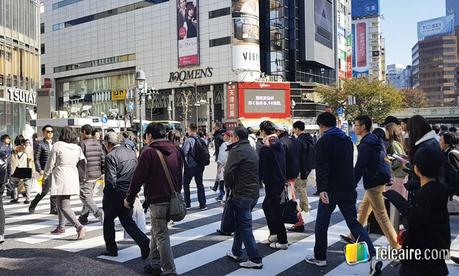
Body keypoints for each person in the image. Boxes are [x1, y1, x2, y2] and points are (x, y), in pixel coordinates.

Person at [305, 112, 382, 275]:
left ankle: (320, 257)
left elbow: (322, 167)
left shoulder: (324, 141)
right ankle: (373, 256)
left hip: (331, 190)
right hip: (347, 188)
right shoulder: (347, 140)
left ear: (321, 126)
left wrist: (322, 188)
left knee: (322, 223)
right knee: (354, 224)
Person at [125, 123, 183, 275]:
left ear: (149, 136)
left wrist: (129, 198)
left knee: (161, 234)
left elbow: (137, 178)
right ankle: (155, 263)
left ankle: (170, 271)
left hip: (157, 199)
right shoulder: (176, 150)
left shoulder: (148, 153)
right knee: (156, 231)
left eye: (146, 136)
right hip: (172, 197)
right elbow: (180, 174)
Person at [399, 146, 450, 276]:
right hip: (438, 253)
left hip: (420, 260)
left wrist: (396, 198)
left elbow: (415, 218)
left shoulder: (425, 193)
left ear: (417, 169)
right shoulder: (441, 188)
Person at [350, 115, 399, 249]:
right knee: (364, 208)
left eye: (356, 125)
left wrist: (352, 184)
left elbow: (360, 166)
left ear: (363, 127)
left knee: (381, 215)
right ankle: (354, 235)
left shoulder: (366, 144)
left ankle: (396, 245)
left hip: (374, 180)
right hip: (380, 177)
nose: (354, 127)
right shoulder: (375, 139)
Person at [102, 132, 150, 258]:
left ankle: (112, 249)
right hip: (129, 191)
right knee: (127, 220)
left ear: (108, 143)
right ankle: (143, 241)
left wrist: (106, 194)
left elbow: (110, 181)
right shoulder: (131, 152)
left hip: (115, 193)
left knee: (108, 221)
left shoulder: (110, 156)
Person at [224, 126, 263, 269]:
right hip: (253, 193)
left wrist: (229, 186)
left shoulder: (237, 150)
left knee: (245, 226)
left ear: (237, 137)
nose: (231, 138)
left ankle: (255, 259)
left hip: (241, 193)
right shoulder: (251, 149)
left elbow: (228, 172)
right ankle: (236, 251)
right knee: (241, 223)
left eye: (232, 136)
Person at [44, 127, 86, 239]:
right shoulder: (77, 148)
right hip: (73, 175)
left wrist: (46, 175)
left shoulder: (58, 145)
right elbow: (83, 162)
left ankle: (79, 226)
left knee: (63, 205)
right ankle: (61, 226)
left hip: (61, 175)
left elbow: (50, 161)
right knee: (61, 203)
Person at [258, 120, 288, 250]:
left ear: (263, 131)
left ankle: (282, 240)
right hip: (279, 180)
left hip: (272, 182)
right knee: (267, 206)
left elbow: (262, 168)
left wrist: (257, 182)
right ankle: (274, 234)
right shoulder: (278, 144)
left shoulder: (266, 147)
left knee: (274, 210)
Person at [406, 115, 441, 204]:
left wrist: (408, 166)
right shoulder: (432, 142)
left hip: (425, 191)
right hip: (434, 190)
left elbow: (423, 171)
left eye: (409, 131)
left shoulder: (424, 148)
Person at [277, 126, 304, 232]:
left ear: (279, 131)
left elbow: (281, 161)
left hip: (286, 175)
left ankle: (298, 221)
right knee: (292, 198)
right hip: (294, 173)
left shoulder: (281, 142)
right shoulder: (294, 140)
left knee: (289, 199)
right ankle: (298, 221)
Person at [78, 124, 105, 225]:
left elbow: (79, 161)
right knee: (88, 196)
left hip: (86, 174)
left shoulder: (82, 144)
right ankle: (83, 217)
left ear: (84, 131)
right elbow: (103, 158)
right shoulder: (98, 143)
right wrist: (102, 171)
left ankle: (99, 214)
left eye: (81, 132)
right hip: (96, 174)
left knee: (84, 196)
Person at [29, 125, 57, 214]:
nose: (50, 133)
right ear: (44, 132)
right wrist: (39, 170)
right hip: (45, 170)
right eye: (48, 131)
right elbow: (36, 158)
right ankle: (33, 204)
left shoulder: (55, 144)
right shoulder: (40, 144)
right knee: (44, 191)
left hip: (55, 170)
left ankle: (53, 209)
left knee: (54, 190)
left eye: (51, 131)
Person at [182, 123, 207, 210]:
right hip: (200, 165)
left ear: (190, 129)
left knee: (186, 184)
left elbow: (184, 152)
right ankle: (203, 204)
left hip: (190, 166)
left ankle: (187, 203)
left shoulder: (189, 140)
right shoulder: (201, 139)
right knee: (200, 184)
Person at [292, 121, 315, 215]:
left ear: (297, 129)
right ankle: (303, 208)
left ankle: (304, 210)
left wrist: (301, 170)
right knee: (302, 188)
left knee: (300, 189)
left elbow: (299, 157)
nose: (294, 131)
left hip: (302, 169)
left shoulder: (299, 141)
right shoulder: (309, 138)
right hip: (308, 167)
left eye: (294, 129)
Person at [385, 122, 408, 199]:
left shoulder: (394, 144)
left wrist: (390, 165)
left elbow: (399, 159)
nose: (385, 133)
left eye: (386, 130)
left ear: (390, 132)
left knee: (398, 199)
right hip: (401, 174)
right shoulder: (398, 142)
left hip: (398, 175)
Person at [9, 135, 33, 204]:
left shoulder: (14, 149)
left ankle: (15, 198)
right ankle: (28, 199)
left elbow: (12, 161)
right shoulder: (27, 149)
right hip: (26, 167)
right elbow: (30, 159)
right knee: (27, 184)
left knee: (15, 184)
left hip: (16, 168)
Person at [439, 132, 459, 199]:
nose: (439, 142)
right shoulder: (448, 152)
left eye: (441, 140)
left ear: (447, 143)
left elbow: (455, 174)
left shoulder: (451, 154)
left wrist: (450, 189)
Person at [0, 138, 12, 244]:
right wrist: (7, 178)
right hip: (1, 180)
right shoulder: (5, 148)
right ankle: (1, 234)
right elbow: (8, 165)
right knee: (0, 206)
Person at [216, 130, 233, 201]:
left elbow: (222, 157)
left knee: (222, 180)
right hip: (230, 165)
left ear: (227, 136)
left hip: (224, 166)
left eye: (224, 135)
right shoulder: (232, 144)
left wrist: (219, 167)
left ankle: (222, 195)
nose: (223, 136)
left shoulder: (224, 145)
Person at [211, 122, 226, 191]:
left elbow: (221, 147)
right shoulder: (221, 134)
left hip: (221, 156)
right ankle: (216, 186)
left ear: (218, 127)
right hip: (220, 155)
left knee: (220, 172)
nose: (213, 129)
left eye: (214, 127)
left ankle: (220, 189)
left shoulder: (218, 136)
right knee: (219, 172)